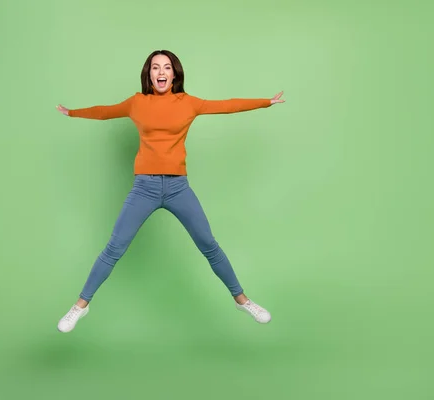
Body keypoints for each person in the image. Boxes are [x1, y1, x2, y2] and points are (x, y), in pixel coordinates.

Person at [55, 49, 285, 333]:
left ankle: (242, 300)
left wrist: (265, 102)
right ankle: (80, 306)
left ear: (174, 73)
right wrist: (72, 113)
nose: (161, 72)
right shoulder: (137, 103)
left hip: (178, 188)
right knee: (114, 248)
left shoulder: (188, 103)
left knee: (209, 245)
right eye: (155, 67)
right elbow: (105, 112)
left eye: (166, 67)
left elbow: (226, 105)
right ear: (148, 74)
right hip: (144, 188)